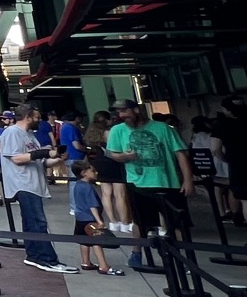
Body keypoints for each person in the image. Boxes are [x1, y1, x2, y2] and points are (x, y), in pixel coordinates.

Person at [105, 101, 193, 261]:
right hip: (138, 184)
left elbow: (180, 154)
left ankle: (184, 258)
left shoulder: (163, 128)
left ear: (136, 110)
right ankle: (137, 253)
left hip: (168, 182)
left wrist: (188, 180)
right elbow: (112, 154)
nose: (122, 115)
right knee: (140, 222)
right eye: (119, 113)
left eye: (125, 111)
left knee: (177, 222)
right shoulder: (117, 130)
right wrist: (126, 156)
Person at [0, 105, 75, 273]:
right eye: (36, 117)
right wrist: (43, 153)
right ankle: (47, 259)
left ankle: (33, 255)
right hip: (23, 183)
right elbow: (16, 158)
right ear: (27, 116)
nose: (39, 120)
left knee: (31, 221)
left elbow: (41, 162)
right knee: (38, 222)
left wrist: (57, 159)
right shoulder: (12, 132)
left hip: (34, 182)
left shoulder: (30, 135)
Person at [211, 99, 247, 250]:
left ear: (228, 110)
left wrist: (225, 158)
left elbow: (215, 148)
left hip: (239, 166)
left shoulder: (221, 125)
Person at [84, 109, 135, 236]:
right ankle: (125, 223)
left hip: (98, 163)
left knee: (106, 194)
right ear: (107, 120)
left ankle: (113, 222)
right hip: (113, 162)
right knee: (120, 194)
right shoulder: (109, 132)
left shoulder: (91, 133)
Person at [71, 160, 122, 275]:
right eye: (93, 171)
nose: (96, 172)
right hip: (90, 218)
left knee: (83, 240)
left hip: (80, 217)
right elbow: (92, 205)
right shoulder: (87, 187)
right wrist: (99, 220)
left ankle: (85, 261)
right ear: (84, 173)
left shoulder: (77, 185)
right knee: (96, 241)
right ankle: (103, 265)